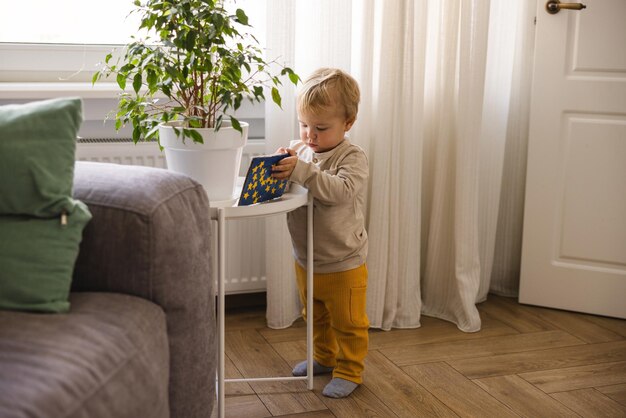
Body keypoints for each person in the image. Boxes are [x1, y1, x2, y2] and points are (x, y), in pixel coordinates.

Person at [271, 68, 369, 398]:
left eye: (321, 128)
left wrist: (303, 170)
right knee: (315, 317)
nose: (310, 135)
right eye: (304, 125)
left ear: (348, 123)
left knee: (349, 322)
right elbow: (295, 186)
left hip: (343, 262)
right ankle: (324, 358)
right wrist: (282, 168)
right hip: (307, 258)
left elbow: (338, 191)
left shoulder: (351, 158)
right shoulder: (302, 151)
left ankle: (350, 370)